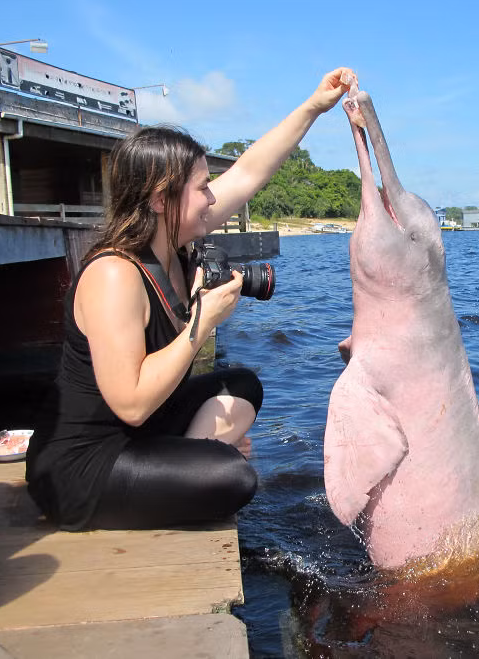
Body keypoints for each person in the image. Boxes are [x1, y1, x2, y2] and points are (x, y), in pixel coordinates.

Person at [26, 67, 357, 531]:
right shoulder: (114, 276)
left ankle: (185, 462)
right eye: (202, 187)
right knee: (232, 479)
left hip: (139, 436)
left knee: (242, 386)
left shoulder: (174, 246)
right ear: (162, 199)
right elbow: (133, 403)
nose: (210, 197)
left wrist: (312, 107)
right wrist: (202, 322)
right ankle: (192, 466)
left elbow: (247, 173)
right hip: (81, 466)